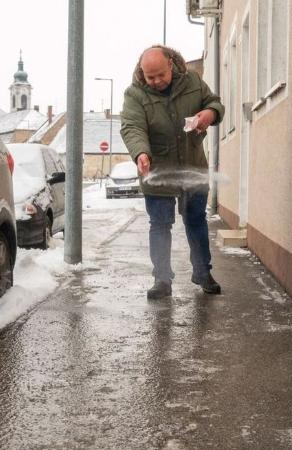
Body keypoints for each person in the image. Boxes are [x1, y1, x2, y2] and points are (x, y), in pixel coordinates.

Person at [120, 45, 224, 299]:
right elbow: (132, 126)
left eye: (160, 75)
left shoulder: (192, 81)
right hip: (157, 170)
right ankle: (162, 279)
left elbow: (214, 103)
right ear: (141, 73)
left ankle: (202, 272)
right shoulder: (135, 94)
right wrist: (141, 153)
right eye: (150, 77)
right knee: (160, 225)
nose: (155, 82)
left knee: (196, 221)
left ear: (171, 64)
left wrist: (209, 114)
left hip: (192, 167)